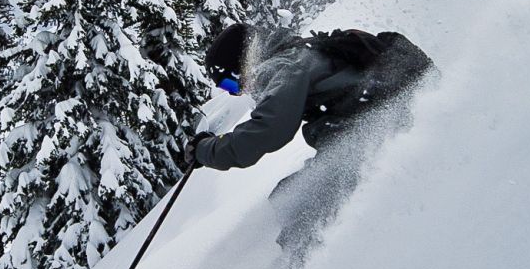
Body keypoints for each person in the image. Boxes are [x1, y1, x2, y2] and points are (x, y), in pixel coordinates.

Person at [183, 22, 433, 253]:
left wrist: (205, 149)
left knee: (297, 206)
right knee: (289, 195)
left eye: (231, 84)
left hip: (374, 129)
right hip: (376, 122)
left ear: (241, 64)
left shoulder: (280, 66)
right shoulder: (300, 51)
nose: (237, 92)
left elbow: (264, 134)